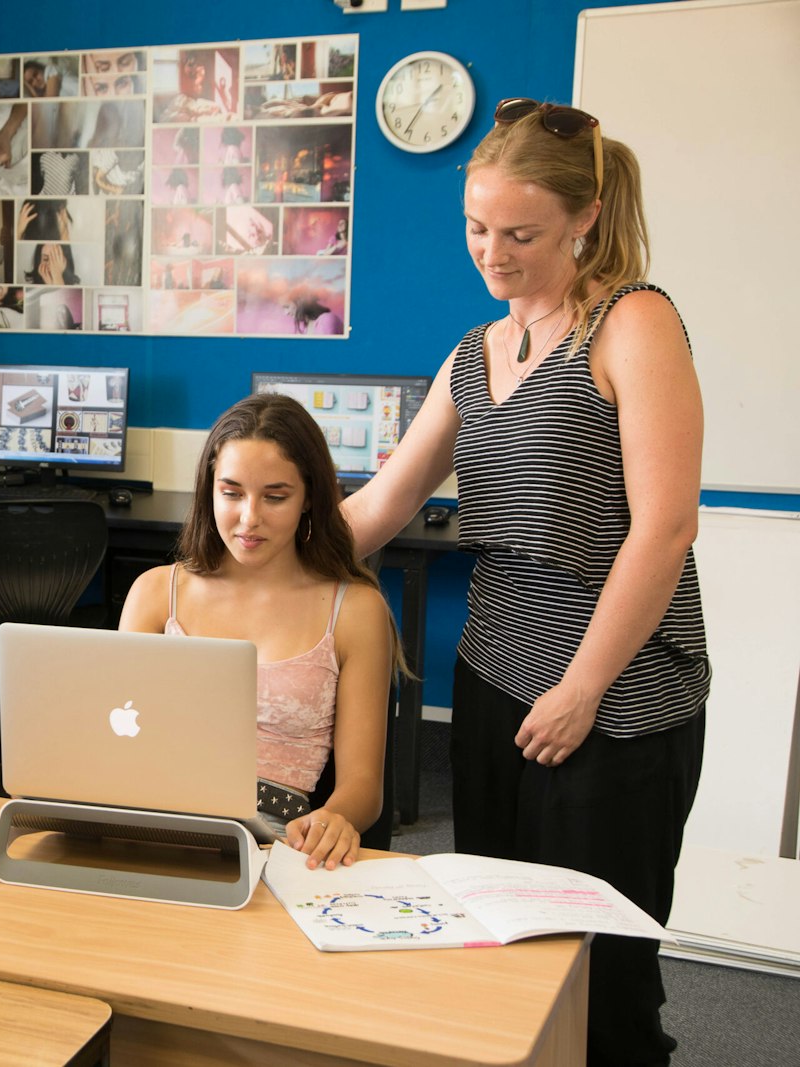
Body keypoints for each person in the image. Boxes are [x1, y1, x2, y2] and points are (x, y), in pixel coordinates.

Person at [340, 97, 708, 1066]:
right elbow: (379, 507)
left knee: (604, 965)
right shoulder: (475, 351)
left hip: (617, 694)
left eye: (519, 233)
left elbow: (665, 525)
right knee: (501, 938)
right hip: (496, 677)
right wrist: (235, 547)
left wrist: (582, 685)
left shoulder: (632, 322)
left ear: (584, 218)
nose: (491, 253)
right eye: (475, 228)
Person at [120, 394, 395, 869]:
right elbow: (111, 738)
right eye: (231, 493)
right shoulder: (154, 594)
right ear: (209, 490)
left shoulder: (355, 611)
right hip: (155, 820)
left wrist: (335, 817)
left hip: (276, 839)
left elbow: (364, 787)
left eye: (275, 496)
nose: (250, 518)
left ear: (310, 497)